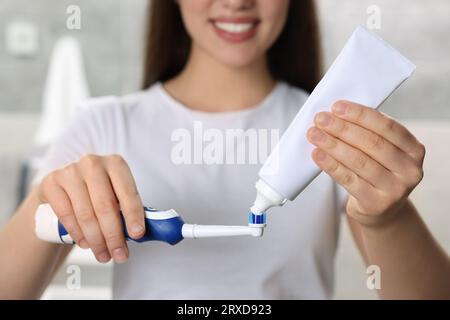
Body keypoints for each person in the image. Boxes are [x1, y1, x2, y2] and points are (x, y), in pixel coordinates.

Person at [1, 0, 449, 299]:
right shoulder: (102, 125)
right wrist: (49, 197)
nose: (236, 1)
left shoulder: (330, 130)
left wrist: (388, 219)